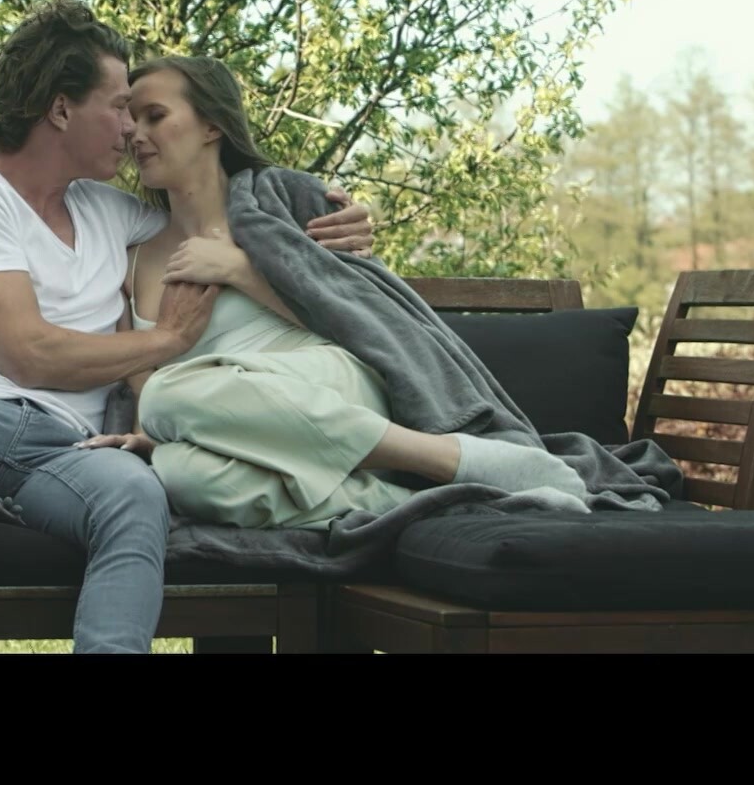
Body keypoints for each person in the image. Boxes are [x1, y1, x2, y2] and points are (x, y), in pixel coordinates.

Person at [0, 1, 373, 653]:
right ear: (61, 110)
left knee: (134, 493)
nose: (130, 129)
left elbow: (216, 211)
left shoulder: (110, 211)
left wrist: (328, 217)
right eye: (118, 107)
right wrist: (166, 342)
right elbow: (28, 354)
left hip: (66, 452)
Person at [77, 55, 593, 530]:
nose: (136, 133)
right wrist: (148, 436)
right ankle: (439, 500)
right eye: (131, 119)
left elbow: (359, 316)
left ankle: (444, 458)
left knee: (171, 395)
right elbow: (145, 390)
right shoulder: (133, 258)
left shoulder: (282, 204)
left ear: (212, 125)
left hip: (335, 384)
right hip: (241, 428)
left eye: (155, 116)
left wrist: (241, 271)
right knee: (179, 472)